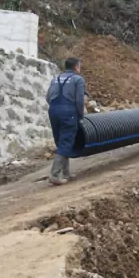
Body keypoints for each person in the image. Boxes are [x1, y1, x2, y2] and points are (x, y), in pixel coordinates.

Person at [46, 57, 86, 186]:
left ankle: (66, 173)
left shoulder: (55, 79)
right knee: (66, 142)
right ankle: (54, 174)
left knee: (60, 142)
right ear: (76, 67)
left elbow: (48, 97)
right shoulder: (78, 80)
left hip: (53, 111)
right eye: (79, 66)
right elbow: (79, 100)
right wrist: (80, 115)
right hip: (68, 112)